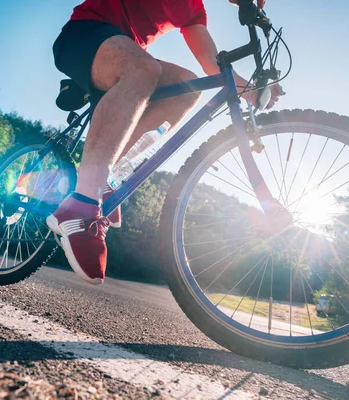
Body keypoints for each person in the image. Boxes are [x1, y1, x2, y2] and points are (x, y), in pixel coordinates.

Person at [47, 0, 282, 285]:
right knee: (144, 69)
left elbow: (213, 66)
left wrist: (252, 91)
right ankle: (81, 206)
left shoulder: (194, 11)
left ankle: (107, 176)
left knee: (188, 86)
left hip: (125, 53)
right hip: (82, 35)